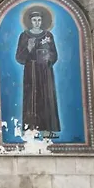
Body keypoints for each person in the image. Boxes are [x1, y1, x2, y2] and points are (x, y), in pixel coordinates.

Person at [15, 9, 61, 139]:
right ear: (30, 21)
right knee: (31, 98)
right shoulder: (24, 36)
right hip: (31, 71)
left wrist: (47, 56)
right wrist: (28, 48)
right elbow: (19, 57)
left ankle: (47, 130)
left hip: (45, 71)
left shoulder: (48, 35)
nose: (37, 22)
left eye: (39, 20)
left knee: (47, 98)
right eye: (34, 20)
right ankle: (31, 130)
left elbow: (54, 54)